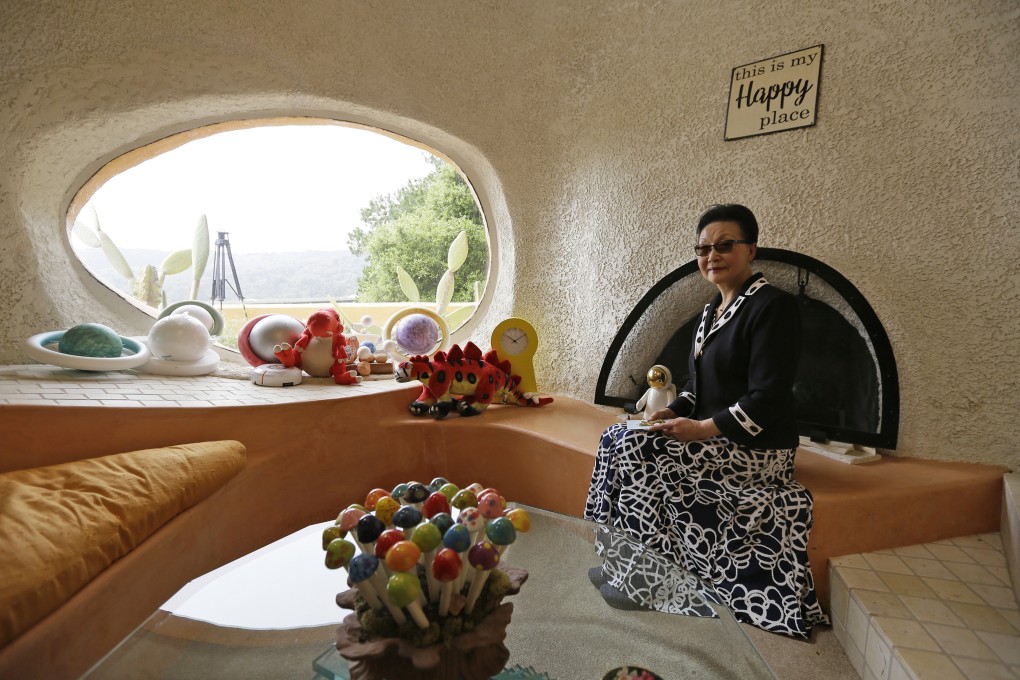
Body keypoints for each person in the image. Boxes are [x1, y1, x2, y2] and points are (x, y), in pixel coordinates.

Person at [584, 203, 828, 639]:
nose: (712, 255)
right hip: (717, 439)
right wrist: (674, 412)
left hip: (759, 450)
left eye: (724, 245)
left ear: (751, 250)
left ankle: (642, 581)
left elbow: (767, 398)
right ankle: (620, 559)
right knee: (615, 436)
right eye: (703, 248)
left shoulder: (773, 307)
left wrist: (699, 430)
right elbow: (698, 389)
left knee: (639, 447)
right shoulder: (709, 312)